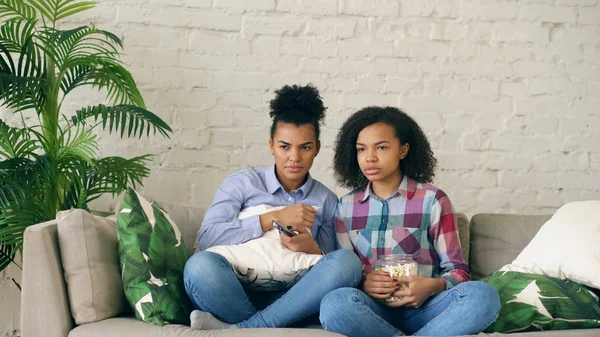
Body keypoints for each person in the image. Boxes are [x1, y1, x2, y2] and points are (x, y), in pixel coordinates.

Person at [184, 84, 362, 330]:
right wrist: (272, 217)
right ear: (271, 145)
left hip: (292, 297)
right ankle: (267, 325)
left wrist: (312, 248)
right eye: (284, 146)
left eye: (305, 147)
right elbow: (206, 238)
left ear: (317, 148)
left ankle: (245, 329)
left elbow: (332, 268)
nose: (294, 157)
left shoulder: (327, 200)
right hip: (233, 289)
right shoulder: (243, 182)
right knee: (199, 267)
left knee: (348, 263)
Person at [319, 106, 500, 337]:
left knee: (483, 296)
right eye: (361, 149)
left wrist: (430, 286)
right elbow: (345, 275)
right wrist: (364, 284)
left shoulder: (433, 200)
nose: (370, 157)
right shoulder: (345, 207)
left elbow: (458, 272)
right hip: (372, 312)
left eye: (382, 147)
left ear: (403, 150)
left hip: (428, 309)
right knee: (334, 303)